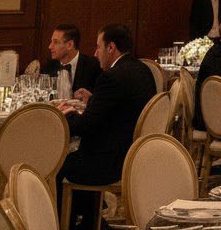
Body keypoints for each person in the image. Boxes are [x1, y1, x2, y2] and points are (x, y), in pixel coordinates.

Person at [56, 23, 157, 225]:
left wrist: (63, 114)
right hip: (135, 153)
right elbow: (122, 107)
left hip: (111, 161)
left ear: (111, 48)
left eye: (98, 47)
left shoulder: (111, 76)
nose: (95, 53)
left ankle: (65, 223)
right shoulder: (142, 69)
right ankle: (92, 222)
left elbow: (85, 127)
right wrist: (95, 99)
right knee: (73, 158)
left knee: (58, 165)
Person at [42, 24, 101, 94]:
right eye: (51, 42)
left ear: (70, 45)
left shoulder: (93, 66)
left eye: (56, 42)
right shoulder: (48, 67)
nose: (50, 46)